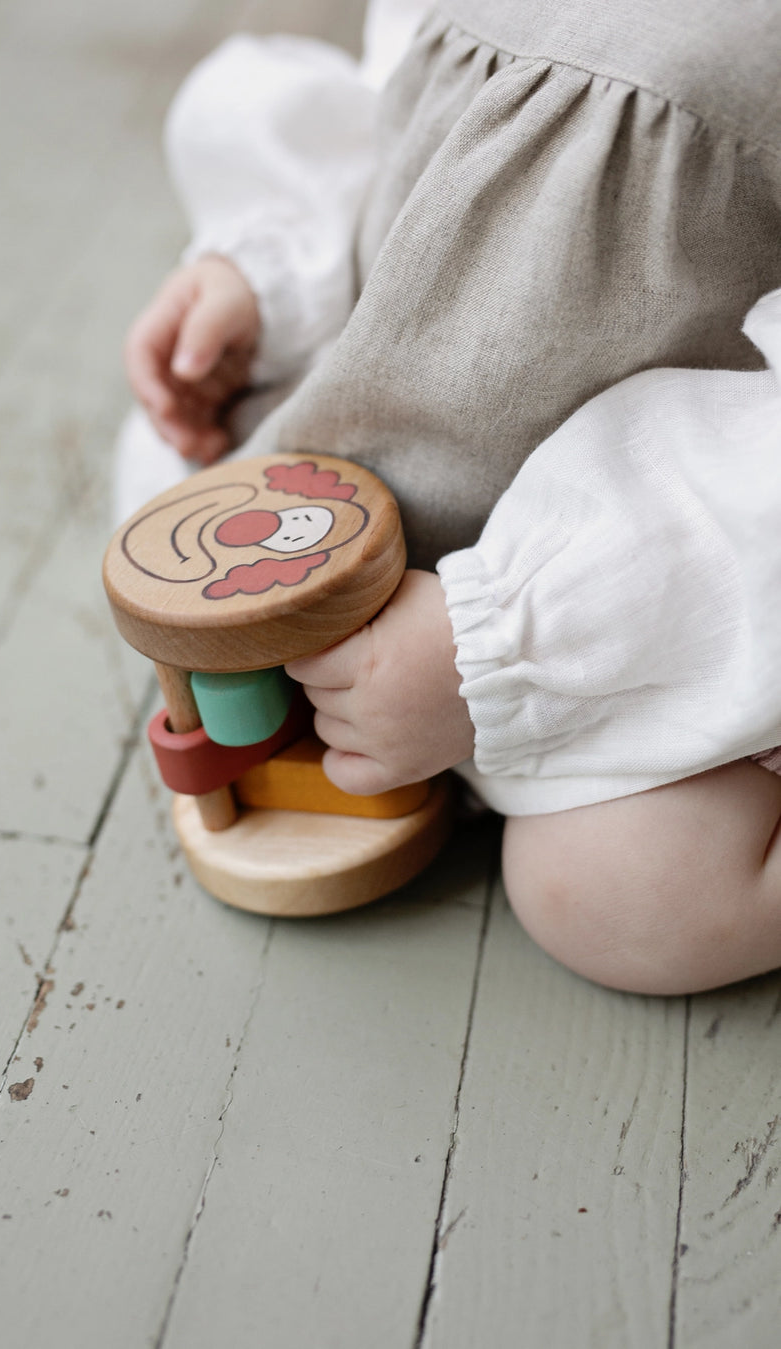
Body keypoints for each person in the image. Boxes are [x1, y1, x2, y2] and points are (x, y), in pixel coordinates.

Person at [115, 0, 781, 997]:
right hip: (397, 487)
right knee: (164, 482)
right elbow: (409, 124)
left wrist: (506, 641)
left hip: (651, 571)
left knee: (624, 895)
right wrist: (268, 278)